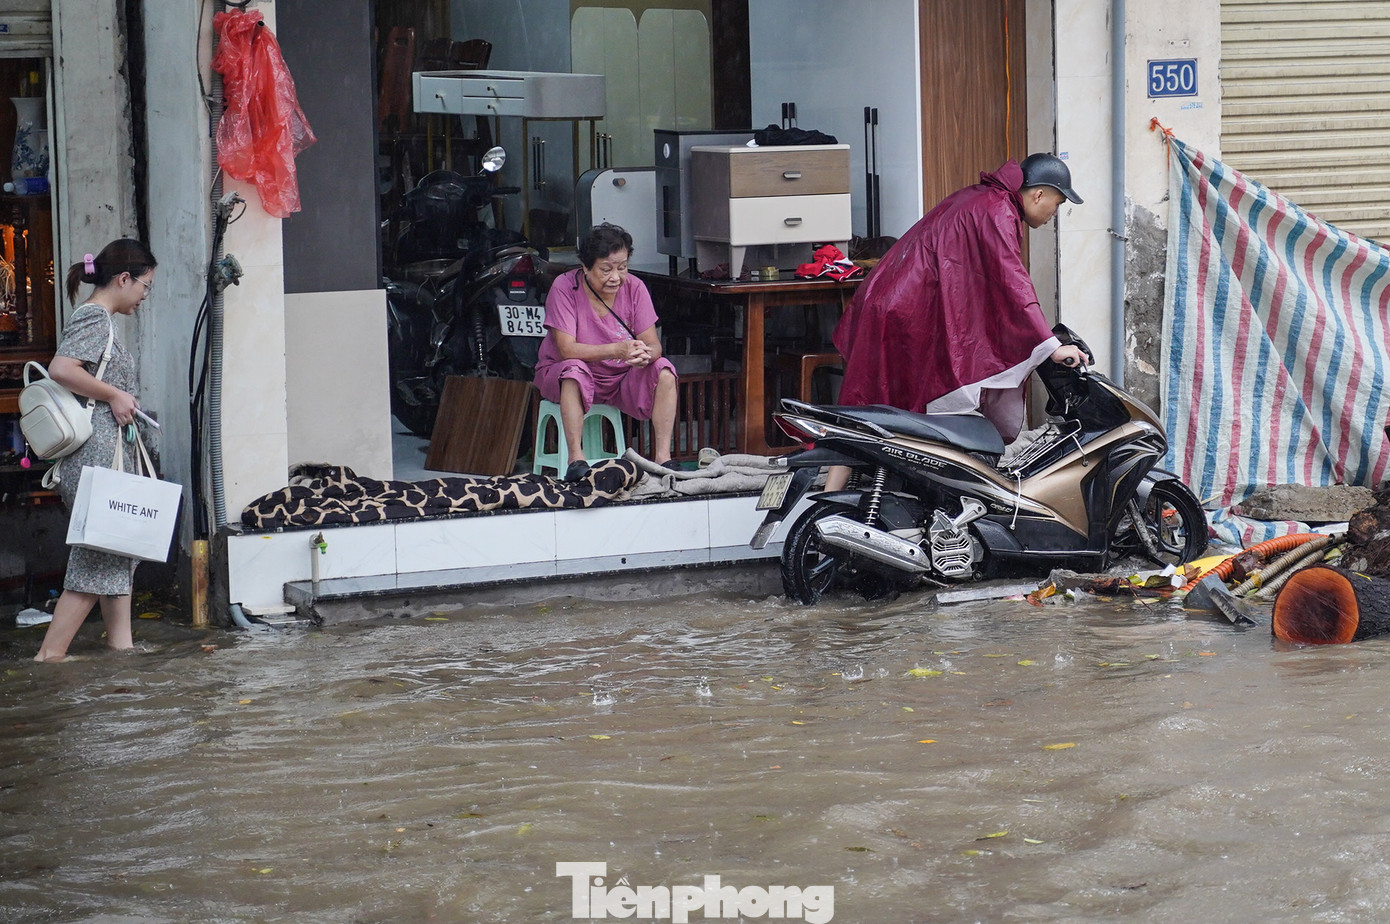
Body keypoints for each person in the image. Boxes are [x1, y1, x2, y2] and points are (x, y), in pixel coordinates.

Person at [34, 239, 158, 662]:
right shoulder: (94, 318)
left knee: (115, 551)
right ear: (124, 279)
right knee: (96, 559)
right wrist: (115, 396)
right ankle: (50, 658)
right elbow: (61, 368)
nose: (144, 295)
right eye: (145, 285)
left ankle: (121, 649)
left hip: (103, 456)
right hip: (96, 457)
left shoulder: (102, 321)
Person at [534, 223, 679, 481]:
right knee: (574, 371)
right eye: (606, 269)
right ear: (586, 268)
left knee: (665, 371)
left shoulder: (635, 288)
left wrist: (646, 354)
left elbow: (654, 344)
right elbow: (567, 350)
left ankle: (662, 459)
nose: (616, 277)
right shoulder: (564, 287)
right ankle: (576, 459)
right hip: (566, 371)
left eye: (622, 267)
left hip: (621, 377)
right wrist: (618, 349)